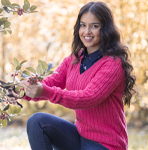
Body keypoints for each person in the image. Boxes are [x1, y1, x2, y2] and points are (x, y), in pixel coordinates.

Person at [8, 1, 136, 150]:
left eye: (94, 26)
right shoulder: (74, 59)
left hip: (106, 145)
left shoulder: (113, 64)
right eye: (83, 25)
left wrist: (45, 91)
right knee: (37, 121)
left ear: (105, 29)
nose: (87, 31)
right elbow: (51, 82)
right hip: (79, 137)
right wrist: (21, 91)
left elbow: (88, 98)